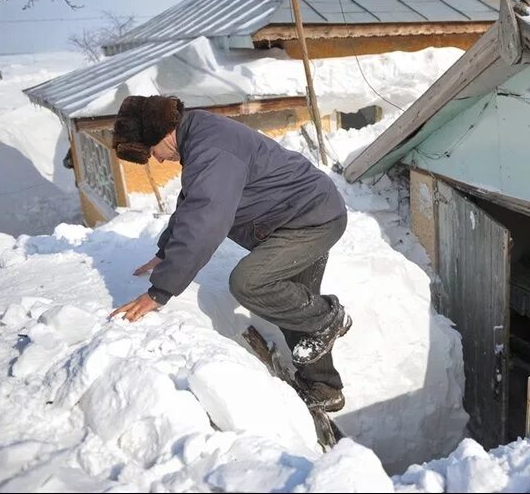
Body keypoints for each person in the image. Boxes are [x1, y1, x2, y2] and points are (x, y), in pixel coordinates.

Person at [108, 95, 351, 411]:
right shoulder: (198, 134)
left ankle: (330, 317)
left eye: (153, 152)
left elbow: (205, 221)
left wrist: (159, 292)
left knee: (250, 283)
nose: (159, 161)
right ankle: (323, 388)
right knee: (293, 303)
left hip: (310, 219)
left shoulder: (210, 150)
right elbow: (194, 203)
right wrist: (167, 250)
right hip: (300, 213)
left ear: (162, 134)